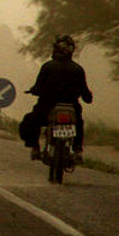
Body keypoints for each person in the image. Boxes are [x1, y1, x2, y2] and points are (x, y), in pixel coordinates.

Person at [19, 34, 93, 162]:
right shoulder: (78, 70)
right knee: (79, 123)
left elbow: (38, 88)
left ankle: (35, 147)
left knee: (29, 121)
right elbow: (86, 95)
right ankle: (78, 149)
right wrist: (88, 97)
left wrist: (34, 91)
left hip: (47, 107)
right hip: (72, 108)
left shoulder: (47, 67)